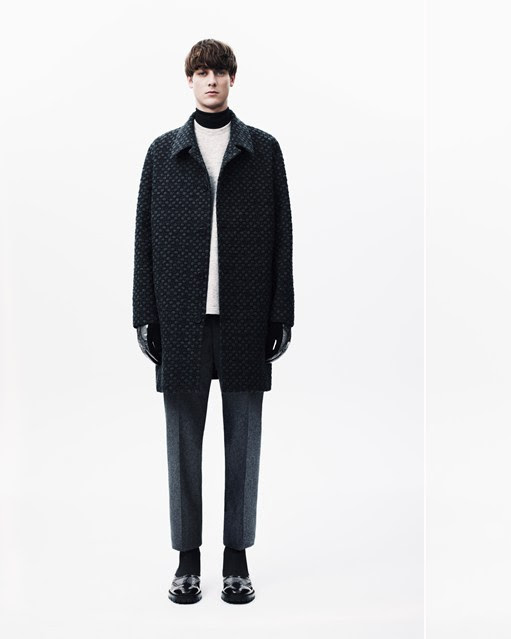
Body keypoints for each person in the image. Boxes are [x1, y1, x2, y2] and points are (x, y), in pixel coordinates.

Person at [133, 38, 294, 605]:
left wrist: (282, 311)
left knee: (243, 443)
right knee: (182, 444)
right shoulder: (163, 153)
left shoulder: (263, 151)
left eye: (219, 72)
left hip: (246, 316)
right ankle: (186, 561)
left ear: (232, 79)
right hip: (180, 319)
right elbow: (144, 236)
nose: (210, 81)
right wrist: (144, 313)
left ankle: (236, 558)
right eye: (201, 72)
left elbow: (283, 235)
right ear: (189, 80)